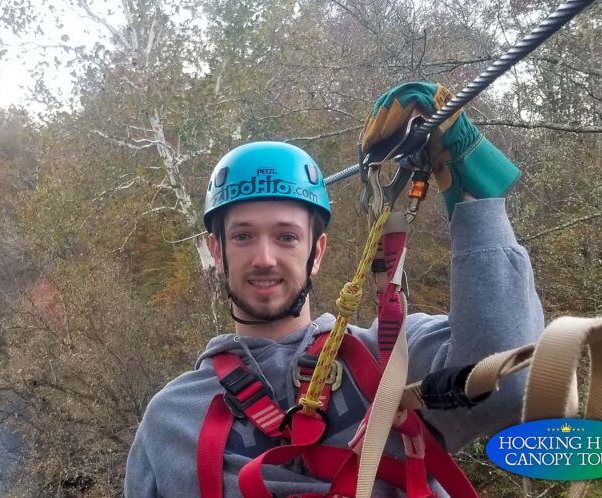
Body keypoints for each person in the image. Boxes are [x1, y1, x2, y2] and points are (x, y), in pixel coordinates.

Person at [124, 82, 545, 497]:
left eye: (287, 237)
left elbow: (507, 382)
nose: (265, 258)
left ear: (317, 251)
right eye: (243, 237)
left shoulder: (390, 358)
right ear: (217, 251)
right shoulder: (172, 420)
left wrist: (473, 194)